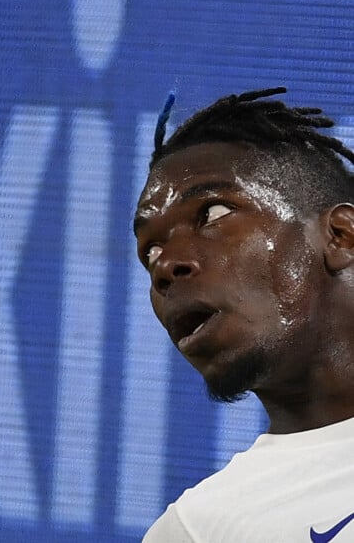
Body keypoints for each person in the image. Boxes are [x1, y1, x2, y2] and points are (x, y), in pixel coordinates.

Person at [134, 87, 354, 542]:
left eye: (212, 213)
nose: (164, 265)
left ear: (341, 236)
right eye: (149, 249)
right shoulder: (199, 530)